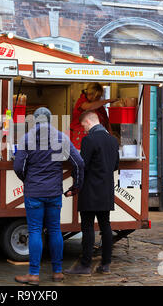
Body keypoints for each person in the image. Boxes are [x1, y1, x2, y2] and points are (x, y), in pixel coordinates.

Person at [13, 107, 84, 286]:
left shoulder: (27, 138)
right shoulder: (61, 137)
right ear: (50, 120)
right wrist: (76, 185)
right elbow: (78, 162)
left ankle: (34, 275)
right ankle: (57, 272)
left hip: (34, 193)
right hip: (54, 192)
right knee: (54, 230)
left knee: (35, 231)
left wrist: (27, 179)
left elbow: (18, 167)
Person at [64, 110, 119, 276]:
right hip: (106, 190)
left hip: (89, 190)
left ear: (88, 121)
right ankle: (106, 264)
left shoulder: (89, 139)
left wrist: (74, 182)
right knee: (106, 226)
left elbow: (82, 165)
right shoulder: (112, 140)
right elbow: (115, 165)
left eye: (83, 126)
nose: (84, 129)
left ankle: (86, 265)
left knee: (87, 228)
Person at [69, 82, 117, 150]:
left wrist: (111, 138)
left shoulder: (100, 107)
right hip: (79, 136)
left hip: (94, 138)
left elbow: (106, 123)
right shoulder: (82, 101)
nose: (95, 98)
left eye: (98, 97)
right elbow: (90, 107)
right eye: (95, 96)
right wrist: (107, 101)